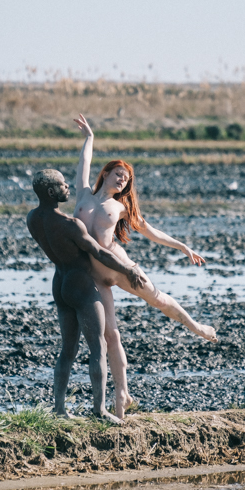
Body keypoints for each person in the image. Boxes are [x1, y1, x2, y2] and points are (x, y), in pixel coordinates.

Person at [73, 114, 218, 420]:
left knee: (160, 299)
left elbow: (151, 232)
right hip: (95, 277)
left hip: (123, 268)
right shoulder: (84, 194)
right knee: (110, 335)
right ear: (107, 173)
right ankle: (122, 394)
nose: (121, 179)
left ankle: (197, 327)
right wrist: (90, 137)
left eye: (126, 178)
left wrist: (183, 247)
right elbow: (83, 163)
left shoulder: (121, 207)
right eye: (117, 173)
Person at [27, 168, 146, 423]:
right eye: (62, 185)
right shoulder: (70, 224)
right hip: (80, 284)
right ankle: (100, 411)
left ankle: (59, 409)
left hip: (59, 283)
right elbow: (99, 253)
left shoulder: (32, 219)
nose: (68, 187)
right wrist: (127, 269)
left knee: (67, 351)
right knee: (98, 347)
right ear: (51, 192)